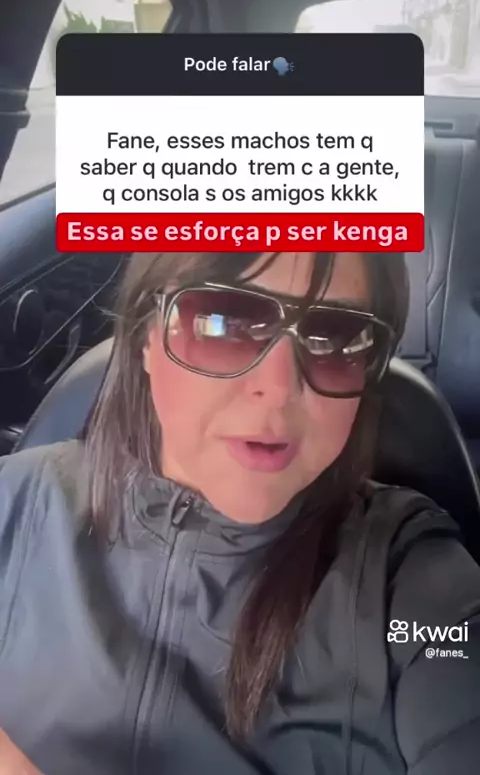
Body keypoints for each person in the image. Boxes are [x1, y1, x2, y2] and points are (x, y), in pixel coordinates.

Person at [0, 250, 479, 775]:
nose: (278, 389)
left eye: (335, 339)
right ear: (145, 337)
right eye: (224, 322)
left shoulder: (412, 589)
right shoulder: (15, 502)